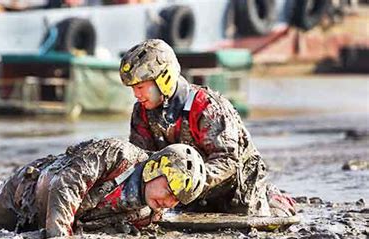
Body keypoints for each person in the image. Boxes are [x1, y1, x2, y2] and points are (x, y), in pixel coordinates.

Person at [119, 39, 295, 217]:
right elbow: (141, 159)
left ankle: (273, 197)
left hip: (237, 187)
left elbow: (227, 159)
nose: (136, 94)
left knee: (265, 214)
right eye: (133, 88)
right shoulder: (141, 112)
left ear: (163, 79)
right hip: (187, 192)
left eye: (140, 86)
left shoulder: (205, 106)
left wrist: (185, 182)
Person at [0, 138, 206, 237]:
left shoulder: (150, 212)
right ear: (154, 169)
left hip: (45, 221)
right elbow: (67, 183)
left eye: (177, 200)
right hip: (26, 192)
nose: (170, 202)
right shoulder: (119, 155)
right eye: (170, 191)